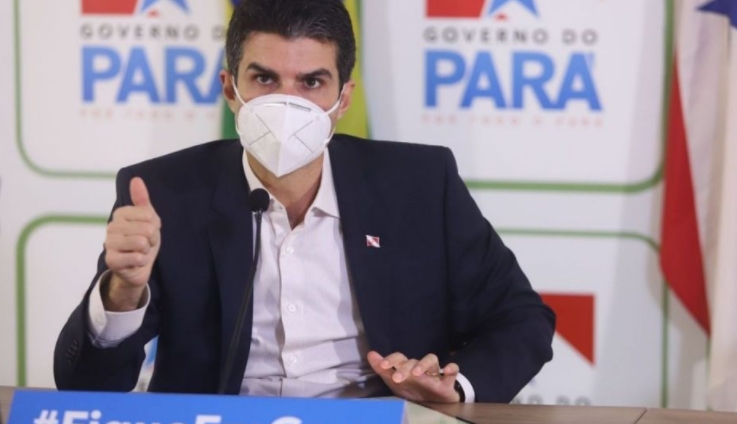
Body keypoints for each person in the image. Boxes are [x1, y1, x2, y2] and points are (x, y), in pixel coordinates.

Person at [54, 0, 555, 403]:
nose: (287, 104)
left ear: (344, 99)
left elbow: (521, 318)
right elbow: (85, 387)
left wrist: (454, 386)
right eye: (265, 79)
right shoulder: (164, 192)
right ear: (230, 89)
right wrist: (122, 293)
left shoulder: (420, 184)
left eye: (311, 82)